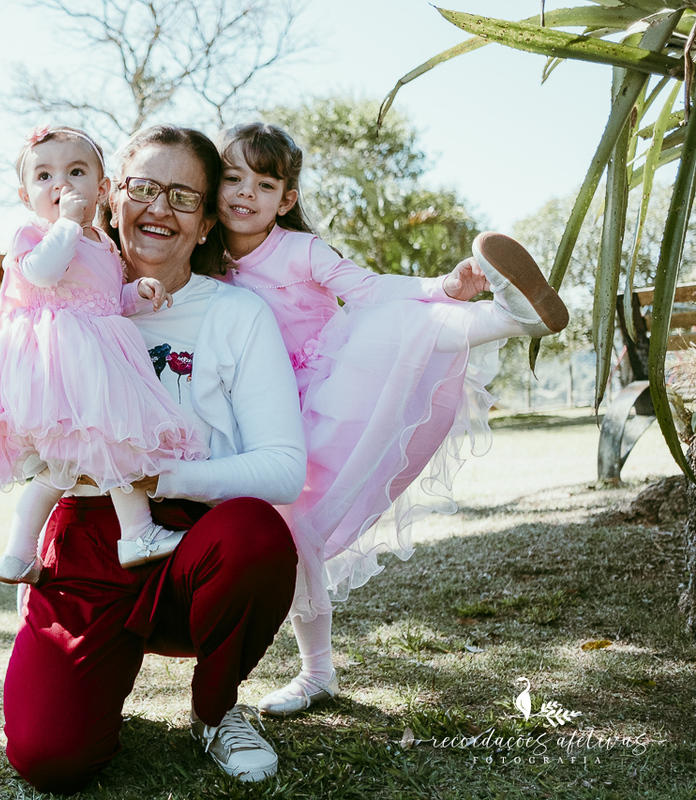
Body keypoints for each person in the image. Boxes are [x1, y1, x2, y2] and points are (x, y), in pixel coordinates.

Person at [212, 121, 569, 716]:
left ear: (287, 200)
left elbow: (371, 291)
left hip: (329, 387)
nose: (245, 192)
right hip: (262, 420)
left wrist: (445, 285)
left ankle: (513, 319)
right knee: (298, 537)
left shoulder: (301, 250)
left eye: (264, 182)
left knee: (394, 329)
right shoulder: (207, 262)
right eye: (232, 177)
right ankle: (316, 674)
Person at [2, 125, 307, 791]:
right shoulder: (58, 298)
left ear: (205, 226)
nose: (159, 208)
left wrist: (150, 475)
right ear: (113, 200)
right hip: (87, 547)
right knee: (49, 760)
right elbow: (25, 429)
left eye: (183, 196)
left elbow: (284, 466)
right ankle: (80, 677)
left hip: (193, 548)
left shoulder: (236, 314)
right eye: (144, 188)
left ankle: (216, 709)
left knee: (256, 532)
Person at [0, 125, 209, 586]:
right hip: (62, 364)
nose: (61, 185)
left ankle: (17, 554)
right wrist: (67, 225)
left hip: (96, 355)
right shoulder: (34, 234)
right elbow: (43, 274)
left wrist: (139, 292)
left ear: (103, 188)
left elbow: (106, 299)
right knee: (120, 445)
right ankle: (136, 532)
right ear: (25, 193)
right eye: (45, 176)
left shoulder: (102, 243)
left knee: (61, 469)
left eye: (76, 172)